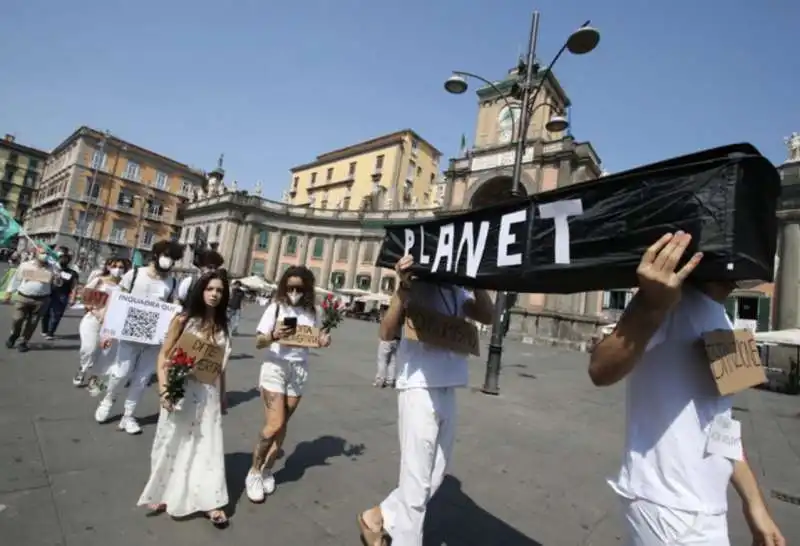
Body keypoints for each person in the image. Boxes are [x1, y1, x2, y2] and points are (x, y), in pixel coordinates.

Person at [589, 232, 786, 546]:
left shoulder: (724, 317)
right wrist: (650, 306)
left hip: (707, 508)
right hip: (667, 506)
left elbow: (721, 424)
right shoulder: (668, 301)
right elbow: (600, 369)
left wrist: (755, 504)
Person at [358, 255, 494, 545]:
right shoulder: (415, 286)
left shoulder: (459, 289)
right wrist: (403, 287)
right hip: (418, 386)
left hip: (449, 385)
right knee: (417, 482)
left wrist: (478, 279)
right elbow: (386, 331)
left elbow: (487, 315)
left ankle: (377, 515)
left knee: (435, 477)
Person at [137, 269, 231, 528]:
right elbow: (163, 356)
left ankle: (212, 501)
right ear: (201, 291)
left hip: (209, 393)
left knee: (208, 446)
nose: (214, 294)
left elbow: (221, 364)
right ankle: (164, 490)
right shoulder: (183, 319)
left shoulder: (224, 324)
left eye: (219, 291)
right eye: (210, 289)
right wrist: (164, 390)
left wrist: (223, 393)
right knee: (173, 439)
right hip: (182, 389)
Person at [244, 266, 332, 503]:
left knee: (283, 426)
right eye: (290, 287)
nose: (294, 292)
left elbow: (318, 337)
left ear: (307, 289)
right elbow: (258, 341)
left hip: (299, 370)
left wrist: (324, 340)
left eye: (299, 288)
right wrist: (273, 335)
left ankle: (268, 469)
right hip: (275, 366)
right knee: (274, 424)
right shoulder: (276, 308)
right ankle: (254, 471)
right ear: (284, 286)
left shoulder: (314, 311)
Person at [94, 240, 184, 435]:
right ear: (156, 254)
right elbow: (117, 301)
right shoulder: (134, 274)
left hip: (154, 341)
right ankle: (108, 399)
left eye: (173, 259)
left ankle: (128, 415)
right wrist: (107, 329)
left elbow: (174, 308)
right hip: (129, 335)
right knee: (121, 373)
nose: (169, 262)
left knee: (142, 379)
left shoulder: (172, 282)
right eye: (167, 255)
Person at [73, 258, 131, 388]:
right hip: (93, 320)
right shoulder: (99, 281)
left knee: (105, 352)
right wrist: (94, 311)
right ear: (108, 267)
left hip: (112, 325)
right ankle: (83, 368)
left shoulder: (125, 287)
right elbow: (85, 298)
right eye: (115, 266)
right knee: (88, 348)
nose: (118, 269)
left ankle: (95, 376)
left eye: (121, 267)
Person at [4, 248, 54, 352]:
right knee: (17, 318)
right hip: (24, 297)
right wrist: (9, 292)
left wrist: (56, 275)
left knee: (33, 322)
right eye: (42, 253)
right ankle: (14, 334)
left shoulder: (52, 268)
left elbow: (57, 282)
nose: (45, 255)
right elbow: (17, 278)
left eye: (47, 253)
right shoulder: (26, 265)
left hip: (41, 299)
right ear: (36, 254)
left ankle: (24, 341)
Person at [40, 247, 79, 340]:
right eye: (62, 257)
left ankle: (50, 332)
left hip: (62, 296)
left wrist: (73, 297)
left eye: (66, 258)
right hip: (49, 293)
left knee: (56, 315)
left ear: (68, 260)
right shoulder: (52, 268)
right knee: (45, 314)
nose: (63, 259)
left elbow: (74, 286)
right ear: (58, 258)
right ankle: (45, 330)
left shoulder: (72, 273)